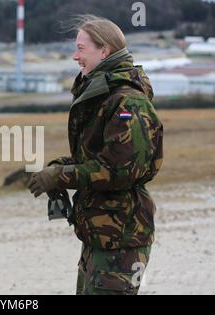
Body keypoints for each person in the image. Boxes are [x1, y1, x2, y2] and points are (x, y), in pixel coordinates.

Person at [28, 15, 163, 295]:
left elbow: (120, 170)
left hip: (121, 237)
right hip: (102, 235)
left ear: (105, 51)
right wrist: (61, 166)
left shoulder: (127, 102)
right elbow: (100, 157)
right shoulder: (106, 96)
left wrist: (60, 176)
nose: (75, 56)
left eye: (81, 48)